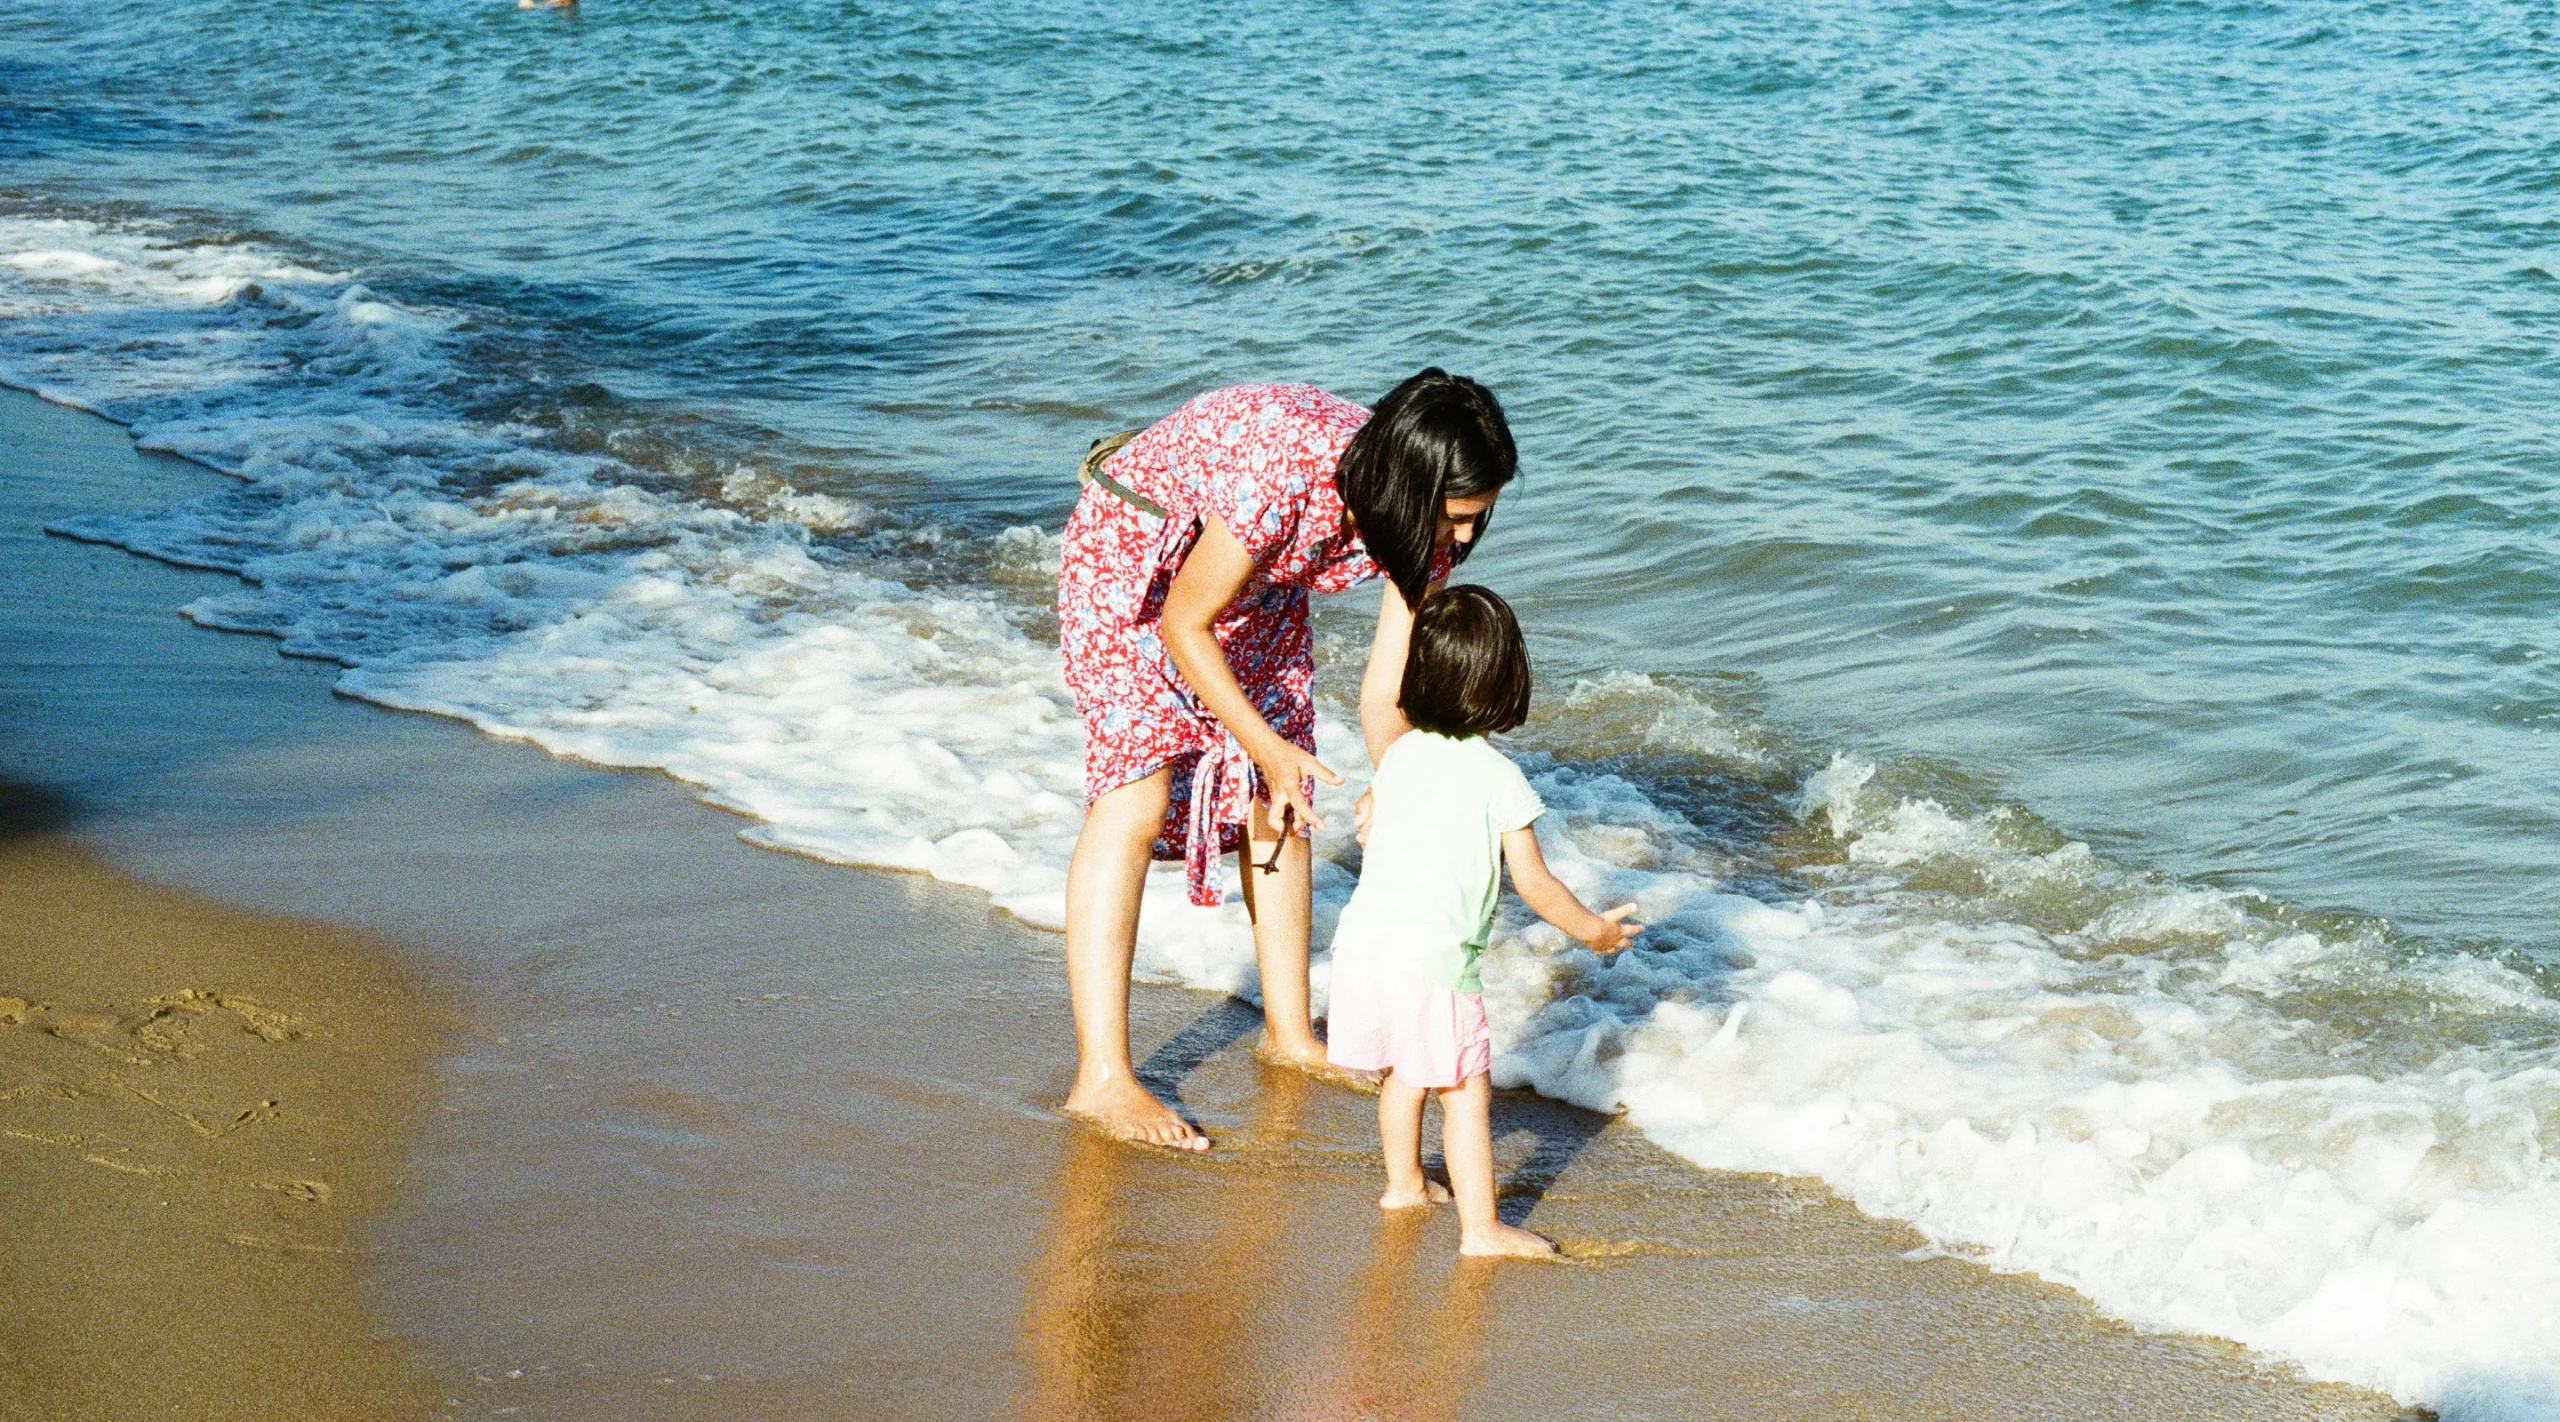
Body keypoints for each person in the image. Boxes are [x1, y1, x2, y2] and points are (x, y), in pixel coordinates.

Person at [1057, 370, 1515, 1150]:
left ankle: (1291, 1033)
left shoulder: (1423, 531)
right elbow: (1183, 622)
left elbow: (1385, 693)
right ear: (1412, 484)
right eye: (1459, 518)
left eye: (1481, 517)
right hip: (1136, 557)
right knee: (1134, 795)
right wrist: (1263, 744)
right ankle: (1101, 1079)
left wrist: (1398, 782)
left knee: (1283, 793)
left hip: (1251, 583)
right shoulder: (1286, 475)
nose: (1466, 539)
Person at [1325, 585, 1641, 1257]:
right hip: (1433, 963)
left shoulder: (1400, 756)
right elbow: (1535, 883)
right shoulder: (1499, 778)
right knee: (1465, 1093)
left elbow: (1374, 823)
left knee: (1403, 1076)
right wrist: (1595, 932)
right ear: (1504, 681)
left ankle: (1405, 1184)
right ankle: (1481, 1228)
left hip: (1362, 947)